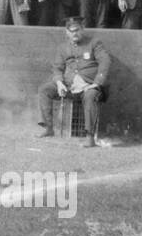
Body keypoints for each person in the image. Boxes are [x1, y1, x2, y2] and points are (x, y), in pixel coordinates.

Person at [36, 17, 112, 147]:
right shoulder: (62, 48)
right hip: (69, 86)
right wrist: (59, 83)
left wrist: (98, 82)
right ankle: (48, 128)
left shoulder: (94, 43)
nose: (74, 33)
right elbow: (57, 68)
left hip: (89, 86)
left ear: (82, 30)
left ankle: (90, 137)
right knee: (45, 89)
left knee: (90, 96)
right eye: (71, 31)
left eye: (77, 30)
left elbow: (105, 61)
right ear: (66, 32)